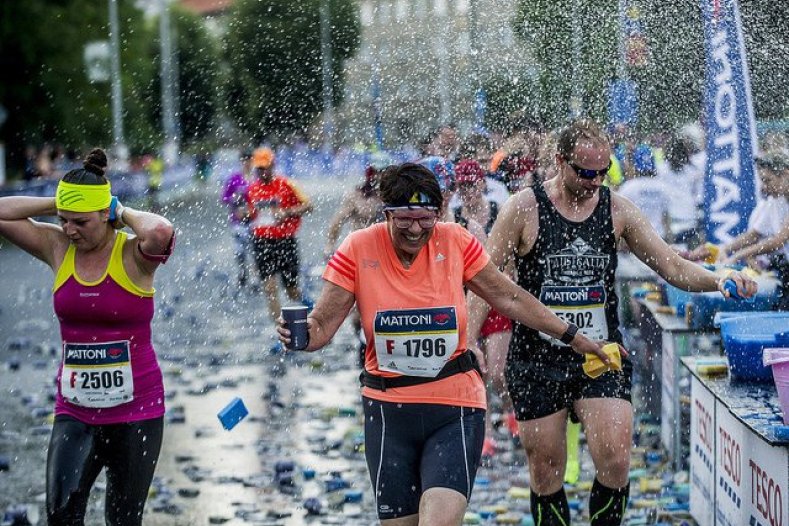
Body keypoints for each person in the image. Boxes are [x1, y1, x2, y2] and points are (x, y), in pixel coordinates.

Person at [277, 162, 615, 526]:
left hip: (454, 407)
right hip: (389, 412)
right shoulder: (359, 247)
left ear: (438, 213)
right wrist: (300, 335)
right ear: (386, 213)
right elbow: (322, 327)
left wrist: (573, 336)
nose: (416, 229)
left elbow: (510, 298)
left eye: (426, 218)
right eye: (404, 218)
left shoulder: (454, 240)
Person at [467, 120, 757, 526]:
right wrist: (468, 339)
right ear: (559, 162)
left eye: (602, 172)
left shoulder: (616, 209)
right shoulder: (523, 208)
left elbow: (671, 266)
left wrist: (719, 277)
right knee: (546, 470)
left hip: (601, 354)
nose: (593, 181)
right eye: (584, 172)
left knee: (617, 461)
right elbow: (486, 279)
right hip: (537, 357)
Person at [0, 148, 175, 524]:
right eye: (64, 220)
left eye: (80, 222)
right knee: (61, 516)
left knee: (123, 520)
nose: (69, 230)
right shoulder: (57, 246)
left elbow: (160, 231)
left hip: (137, 412)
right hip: (75, 411)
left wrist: (121, 210)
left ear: (105, 215)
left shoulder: (134, 254)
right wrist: (59, 198)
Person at [246, 146, 313, 324]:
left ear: (273, 165)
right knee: (269, 289)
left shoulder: (287, 184)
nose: (261, 172)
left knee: (292, 291)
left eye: (264, 167)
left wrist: (287, 212)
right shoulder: (251, 189)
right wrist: (244, 214)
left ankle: (310, 306)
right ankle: (281, 331)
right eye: (258, 168)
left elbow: (309, 206)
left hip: (285, 242)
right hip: (261, 242)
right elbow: (250, 214)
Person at [221, 148, 254, 287]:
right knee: (240, 251)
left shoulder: (257, 178)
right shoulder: (234, 179)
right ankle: (243, 273)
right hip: (238, 221)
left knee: (255, 251)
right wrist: (235, 199)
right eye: (245, 160)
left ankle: (255, 278)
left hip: (254, 221)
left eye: (249, 160)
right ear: (241, 161)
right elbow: (224, 197)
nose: (247, 163)